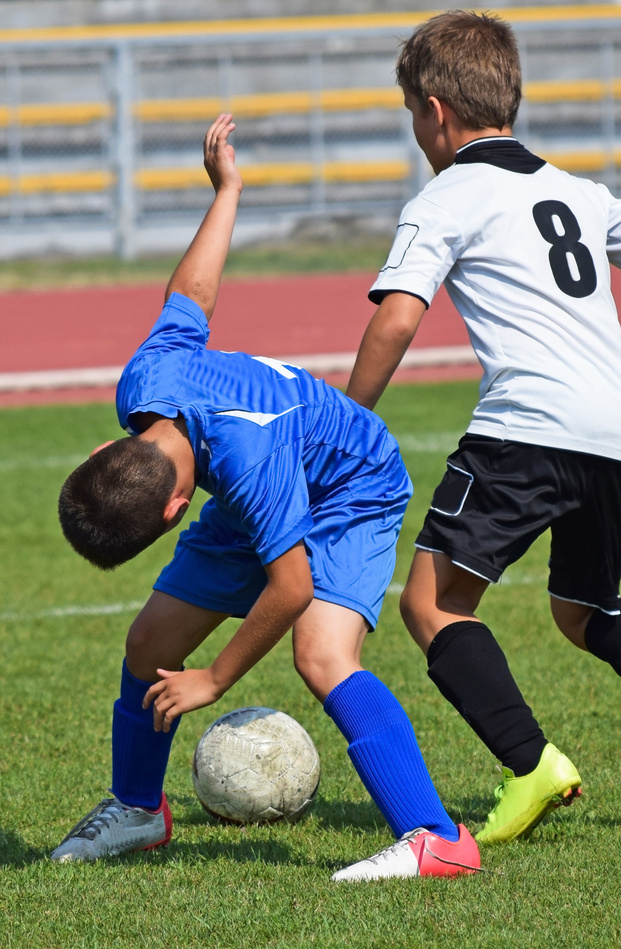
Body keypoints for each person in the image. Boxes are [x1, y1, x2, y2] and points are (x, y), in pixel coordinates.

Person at [344, 11, 621, 844]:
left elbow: (395, 318)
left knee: (434, 601)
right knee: (583, 607)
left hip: (527, 421)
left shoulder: (447, 194)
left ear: (434, 111)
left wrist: (346, 424)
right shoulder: (576, 189)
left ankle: (532, 765)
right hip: (613, 425)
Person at [51, 114, 480, 882]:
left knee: (319, 652)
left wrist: (214, 679)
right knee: (150, 645)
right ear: (107, 447)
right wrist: (228, 191)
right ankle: (139, 810)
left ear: (176, 507)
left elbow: (292, 586)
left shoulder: (245, 464)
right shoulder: (145, 385)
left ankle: (436, 837)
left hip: (354, 482)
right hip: (272, 477)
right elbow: (191, 292)